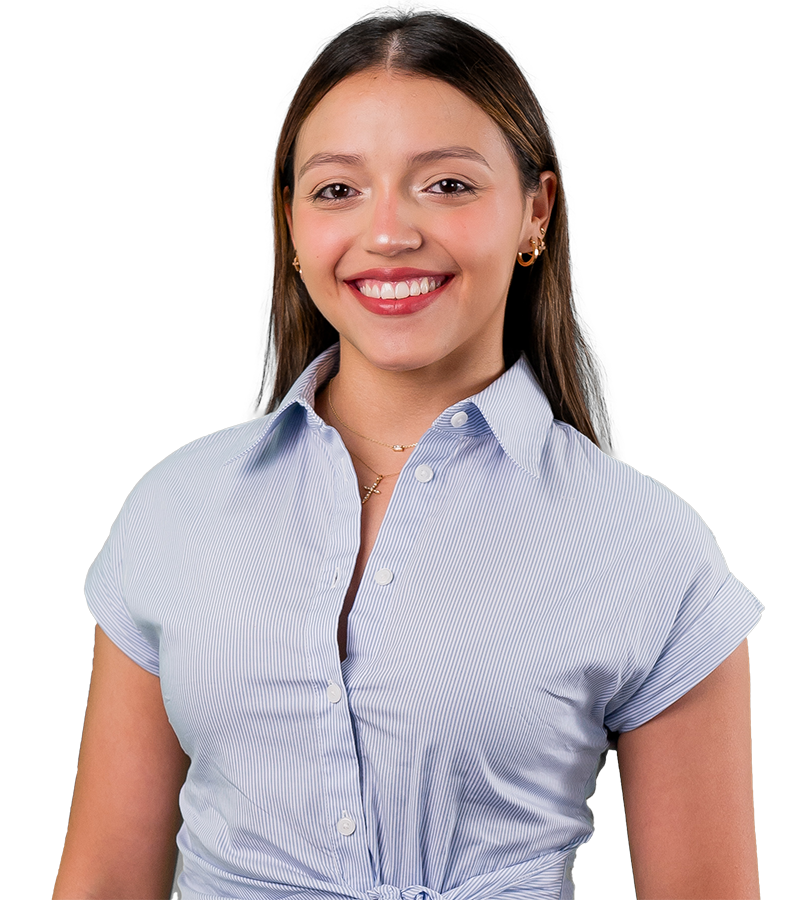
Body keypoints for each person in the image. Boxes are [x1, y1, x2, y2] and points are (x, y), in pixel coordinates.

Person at [53, 6, 764, 900]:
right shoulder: (174, 510)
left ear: (535, 211)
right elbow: (107, 879)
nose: (387, 233)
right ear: (292, 222)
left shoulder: (648, 548)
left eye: (448, 185)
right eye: (338, 190)